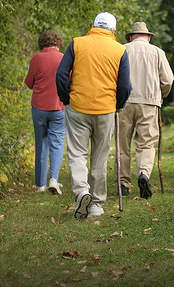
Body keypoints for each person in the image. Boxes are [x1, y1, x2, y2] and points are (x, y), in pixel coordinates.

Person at [56, 12, 132, 219]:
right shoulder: (119, 50)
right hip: (105, 109)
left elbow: (61, 74)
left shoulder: (77, 43)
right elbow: (125, 85)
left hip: (78, 107)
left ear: (93, 25)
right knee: (99, 156)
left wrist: (67, 98)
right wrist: (118, 104)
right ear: (113, 31)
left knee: (77, 153)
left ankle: (82, 191)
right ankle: (97, 204)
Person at [117, 22, 174, 198]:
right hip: (149, 103)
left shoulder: (121, 50)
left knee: (122, 144)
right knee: (146, 143)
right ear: (148, 37)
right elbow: (168, 80)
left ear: (131, 36)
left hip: (124, 102)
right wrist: (160, 96)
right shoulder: (158, 52)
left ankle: (123, 183)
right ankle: (143, 173)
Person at [24, 30, 66, 195]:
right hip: (58, 107)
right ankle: (53, 180)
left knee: (41, 143)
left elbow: (29, 83)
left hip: (39, 107)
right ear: (58, 43)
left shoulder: (37, 58)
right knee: (56, 143)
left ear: (42, 43)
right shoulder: (63, 58)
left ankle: (40, 184)